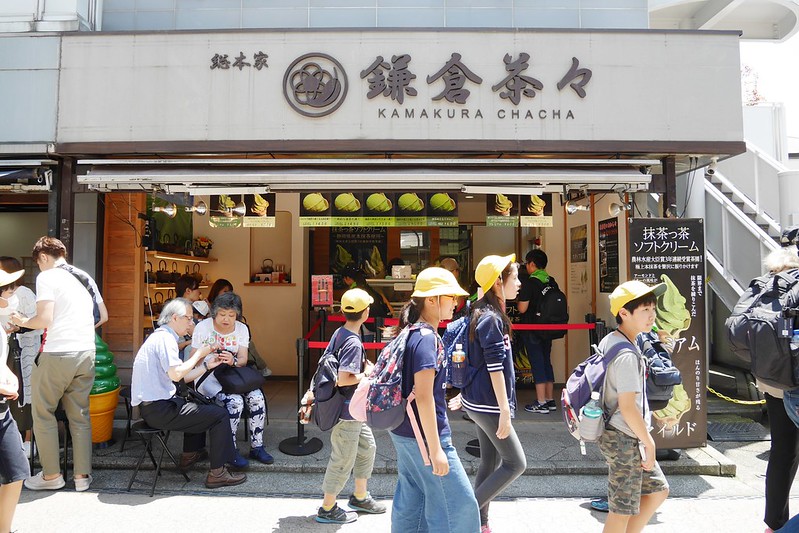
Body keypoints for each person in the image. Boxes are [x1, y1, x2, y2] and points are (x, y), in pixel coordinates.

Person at [389, 267, 480, 533]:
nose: (456, 302)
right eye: (450, 296)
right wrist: (436, 448)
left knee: (412, 498)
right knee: (460, 506)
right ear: (431, 300)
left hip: (403, 430)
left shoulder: (411, 333)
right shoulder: (428, 340)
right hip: (425, 437)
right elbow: (425, 398)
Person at [130, 297, 247, 489]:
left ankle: (190, 454)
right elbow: (177, 374)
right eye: (189, 319)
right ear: (175, 318)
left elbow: (181, 376)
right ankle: (217, 473)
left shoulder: (160, 337)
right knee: (219, 415)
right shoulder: (165, 339)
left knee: (200, 406)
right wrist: (200, 354)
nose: (191, 323)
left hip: (154, 408)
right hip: (160, 410)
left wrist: (207, 365)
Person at [10, 236, 96, 492]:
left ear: (43, 257)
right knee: (79, 416)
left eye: (38, 263)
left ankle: (51, 476)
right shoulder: (81, 276)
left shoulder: (47, 277)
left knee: (43, 413)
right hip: (86, 352)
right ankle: (82, 477)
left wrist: (21, 320)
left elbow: (44, 320)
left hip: (58, 352)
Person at [454, 254, 526, 533]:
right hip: (490, 405)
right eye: (515, 277)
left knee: (490, 461)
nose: (519, 283)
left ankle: (479, 523)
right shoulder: (491, 319)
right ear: (498, 282)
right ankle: (462, 517)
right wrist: (505, 411)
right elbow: (496, 368)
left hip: (479, 402)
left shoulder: (481, 312)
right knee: (516, 463)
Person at [598, 280, 670, 533]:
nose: (652, 315)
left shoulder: (614, 339)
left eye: (652, 308)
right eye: (644, 310)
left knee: (658, 491)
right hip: (624, 438)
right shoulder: (627, 354)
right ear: (624, 313)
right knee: (621, 510)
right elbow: (628, 407)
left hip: (620, 434)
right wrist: (648, 441)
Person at [314, 288, 386, 524]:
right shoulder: (353, 342)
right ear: (366, 313)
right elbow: (344, 378)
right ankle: (328, 507)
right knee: (343, 459)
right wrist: (367, 376)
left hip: (351, 410)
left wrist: (365, 366)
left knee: (367, 448)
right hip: (346, 411)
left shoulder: (341, 332)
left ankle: (360, 496)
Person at [742, 247, 799, 533]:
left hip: (770, 380)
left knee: (782, 451)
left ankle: (774, 523)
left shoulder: (763, 289)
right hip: (795, 382)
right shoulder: (796, 290)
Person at [189, 292, 273, 468]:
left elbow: (243, 359)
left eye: (231, 315)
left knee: (257, 398)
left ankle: (257, 446)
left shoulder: (242, 328)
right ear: (214, 313)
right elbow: (192, 360)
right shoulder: (203, 327)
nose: (226, 319)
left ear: (237, 315)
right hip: (208, 376)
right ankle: (230, 450)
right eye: (222, 314)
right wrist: (209, 354)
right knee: (235, 403)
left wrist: (232, 360)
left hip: (233, 375)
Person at [0, 256, 41, 457]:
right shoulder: (3, 294)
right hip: (7, 352)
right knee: (13, 396)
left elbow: (38, 324)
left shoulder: (24, 293)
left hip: (25, 350)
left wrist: (19, 327)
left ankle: (29, 440)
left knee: (27, 393)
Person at [0, 268, 28, 533]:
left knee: (16, 471)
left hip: (2, 411)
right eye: (8, 290)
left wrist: (10, 379)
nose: (13, 294)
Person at [518, 249, 557, 414]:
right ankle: (549, 400)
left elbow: (522, 308)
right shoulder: (552, 281)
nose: (526, 266)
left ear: (532, 264)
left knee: (537, 362)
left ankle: (540, 402)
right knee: (546, 360)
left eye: (527, 263)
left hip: (532, 328)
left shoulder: (530, 282)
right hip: (548, 328)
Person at [175, 274, 201, 356]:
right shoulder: (180, 309)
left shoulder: (180, 305)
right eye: (197, 288)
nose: (199, 292)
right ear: (188, 291)